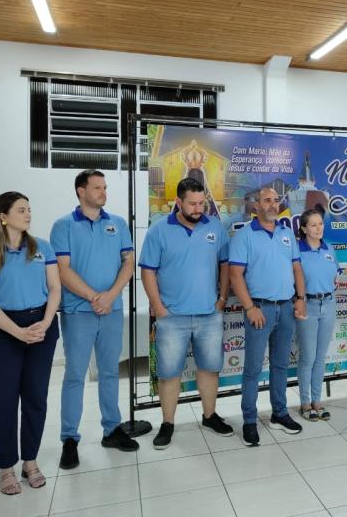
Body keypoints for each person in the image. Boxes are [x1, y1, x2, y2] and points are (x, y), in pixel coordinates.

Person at [0, 192, 61, 495]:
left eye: (29, 209)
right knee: (4, 401)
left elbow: (54, 289)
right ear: (3, 216)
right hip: (1, 331)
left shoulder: (42, 248)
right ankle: (6, 467)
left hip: (40, 326)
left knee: (35, 398)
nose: (28, 214)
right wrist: (17, 332)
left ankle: (30, 462)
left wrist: (46, 324)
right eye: (21, 210)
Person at [50, 169, 138, 470]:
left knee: (110, 371)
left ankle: (112, 430)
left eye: (105, 187)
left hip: (111, 310)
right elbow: (62, 269)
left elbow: (128, 263)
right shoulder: (63, 226)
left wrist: (111, 296)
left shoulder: (118, 224)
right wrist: (93, 297)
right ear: (80, 191)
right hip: (79, 312)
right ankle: (69, 439)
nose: (103, 192)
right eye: (97, 187)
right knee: (75, 375)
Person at [139, 178, 234, 448]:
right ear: (178, 202)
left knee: (210, 368)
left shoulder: (215, 227)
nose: (197, 208)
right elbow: (148, 271)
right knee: (169, 373)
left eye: (201, 202)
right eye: (191, 203)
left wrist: (222, 298)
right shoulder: (159, 230)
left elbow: (225, 264)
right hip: (172, 318)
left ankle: (210, 415)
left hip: (209, 315)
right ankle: (167, 424)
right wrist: (158, 307)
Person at [229, 187, 307, 446]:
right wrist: (250, 307)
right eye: (267, 201)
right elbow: (235, 275)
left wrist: (301, 298)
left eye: (276, 200)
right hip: (259, 309)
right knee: (252, 370)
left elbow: (296, 268)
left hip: (286, 308)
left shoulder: (287, 233)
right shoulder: (244, 236)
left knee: (281, 366)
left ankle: (279, 413)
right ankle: (250, 421)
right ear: (256, 205)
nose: (273, 205)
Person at [296, 208, 339, 421]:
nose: (318, 228)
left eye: (320, 223)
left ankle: (317, 400)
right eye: (313, 225)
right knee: (308, 357)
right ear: (304, 228)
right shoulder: (297, 250)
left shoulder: (329, 247)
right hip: (308, 305)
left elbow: (335, 274)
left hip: (328, 304)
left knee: (321, 357)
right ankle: (305, 403)